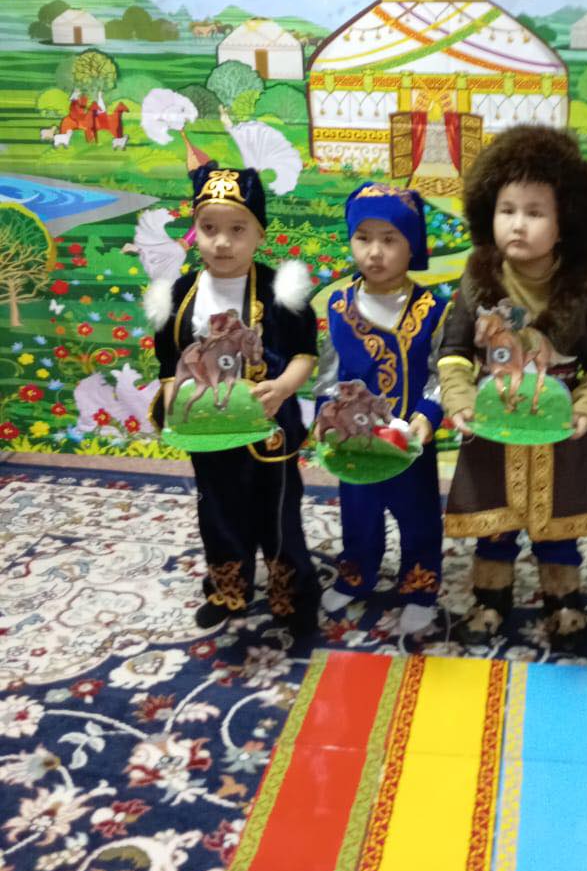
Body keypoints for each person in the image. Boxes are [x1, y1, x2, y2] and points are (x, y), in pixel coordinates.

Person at [439, 125, 587, 653]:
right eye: (507, 210)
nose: (518, 224)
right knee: (494, 524)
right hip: (492, 425)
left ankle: (563, 601)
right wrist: (459, 397)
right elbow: (453, 350)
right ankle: (490, 599)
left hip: (561, 430)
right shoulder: (475, 281)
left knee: (558, 525)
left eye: (535, 212)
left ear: (567, 221)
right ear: (488, 211)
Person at [147, 160, 319, 636]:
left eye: (237, 229)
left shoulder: (279, 291)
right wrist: (173, 404)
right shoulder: (181, 294)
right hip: (208, 432)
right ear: (195, 231)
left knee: (278, 515)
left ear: (259, 233)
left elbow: (306, 354)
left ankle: (292, 594)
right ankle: (228, 587)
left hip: (270, 430)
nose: (222, 242)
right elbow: (169, 363)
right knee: (217, 510)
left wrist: (283, 387)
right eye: (209, 228)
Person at [316, 183, 448, 636]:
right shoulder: (339, 306)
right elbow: (329, 370)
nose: (374, 252)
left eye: (389, 239)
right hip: (355, 440)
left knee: (418, 516)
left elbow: (440, 372)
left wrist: (427, 415)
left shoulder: (433, 308)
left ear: (412, 245)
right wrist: (325, 415)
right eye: (363, 238)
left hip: (409, 440)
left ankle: (420, 586)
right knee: (358, 511)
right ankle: (356, 574)